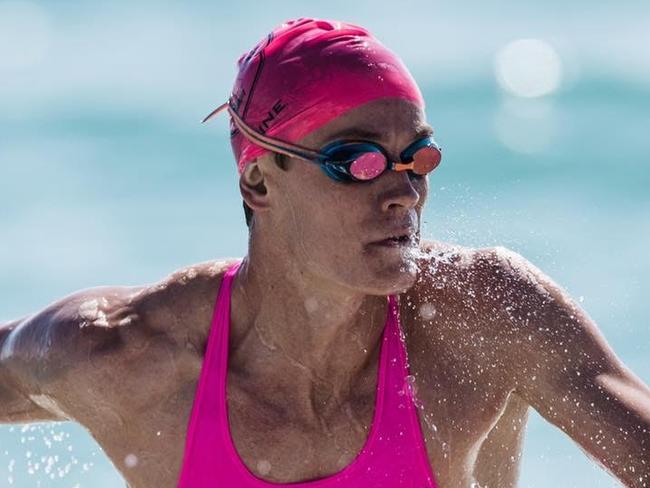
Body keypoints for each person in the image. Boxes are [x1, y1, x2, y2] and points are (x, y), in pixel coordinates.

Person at [1, 17, 648, 488]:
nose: (403, 192)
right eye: (356, 161)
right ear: (259, 181)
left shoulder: (478, 317)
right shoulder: (133, 358)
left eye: (416, 158)